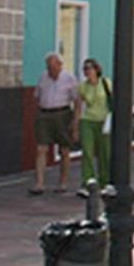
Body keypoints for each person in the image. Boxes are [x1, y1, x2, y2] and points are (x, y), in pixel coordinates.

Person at [32, 53, 77, 195]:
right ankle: (39, 183)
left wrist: (75, 122)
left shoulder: (69, 78)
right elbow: (37, 96)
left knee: (64, 150)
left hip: (62, 113)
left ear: (60, 65)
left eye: (53, 67)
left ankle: (62, 182)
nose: (51, 70)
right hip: (44, 113)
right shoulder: (43, 77)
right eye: (49, 67)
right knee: (41, 148)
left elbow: (77, 101)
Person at [75, 58, 112, 191]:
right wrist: (76, 125)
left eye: (89, 68)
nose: (87, 71)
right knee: (87, 151)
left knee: (104, 153)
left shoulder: (106, 83)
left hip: (104, 121)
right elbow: (79, 107)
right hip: (88, 121)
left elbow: (113, 100)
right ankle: (88, 181)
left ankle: (105, 181)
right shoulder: (83, 87)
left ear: (96, 69)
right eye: (84, 69)